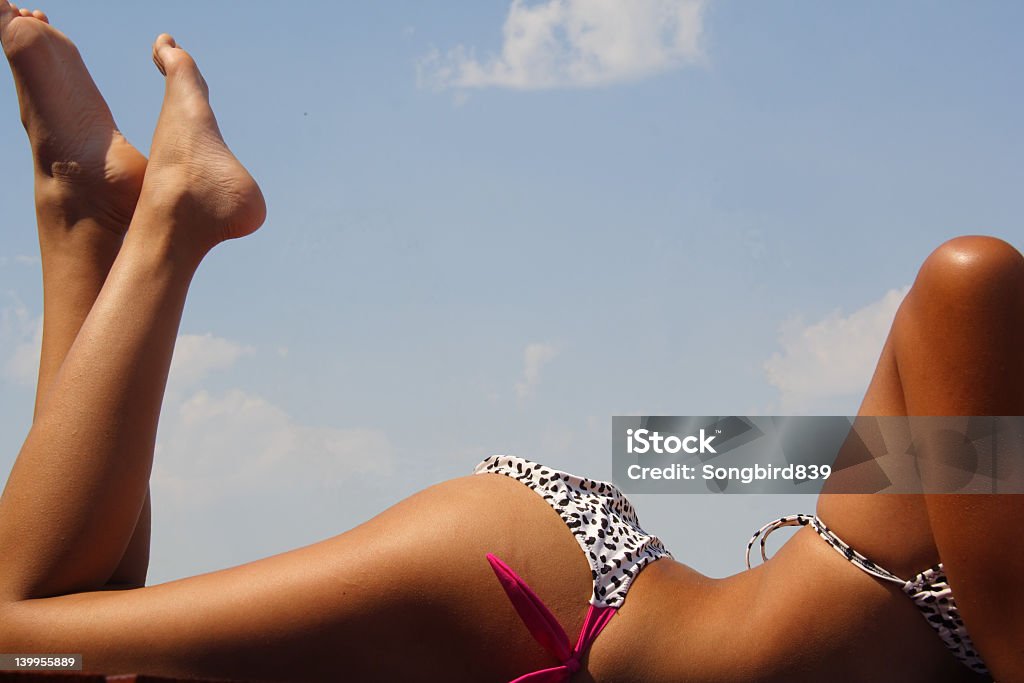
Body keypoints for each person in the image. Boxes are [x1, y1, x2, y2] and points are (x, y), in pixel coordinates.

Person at [0, 4, 1018, 681]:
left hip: (598, 572)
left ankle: (84, 216)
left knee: (67, 642)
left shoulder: (981, 456)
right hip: (543, 602)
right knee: (19, 638)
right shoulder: (988, 307)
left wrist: (674, 446)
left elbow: (789, 454)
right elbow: (958, 284)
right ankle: (164, 219)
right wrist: (679, 447)